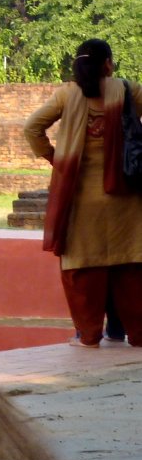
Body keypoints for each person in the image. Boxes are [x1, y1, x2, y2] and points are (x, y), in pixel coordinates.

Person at [24, 38, 142, 349]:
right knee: (129, 264)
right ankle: (134, 333)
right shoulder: (129, 90)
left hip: (79, 200)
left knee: (83, 268)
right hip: (125, 198)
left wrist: (54, 157)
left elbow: (32, 127)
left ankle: (88, 335)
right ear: (108, 63)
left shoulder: (66, 95)